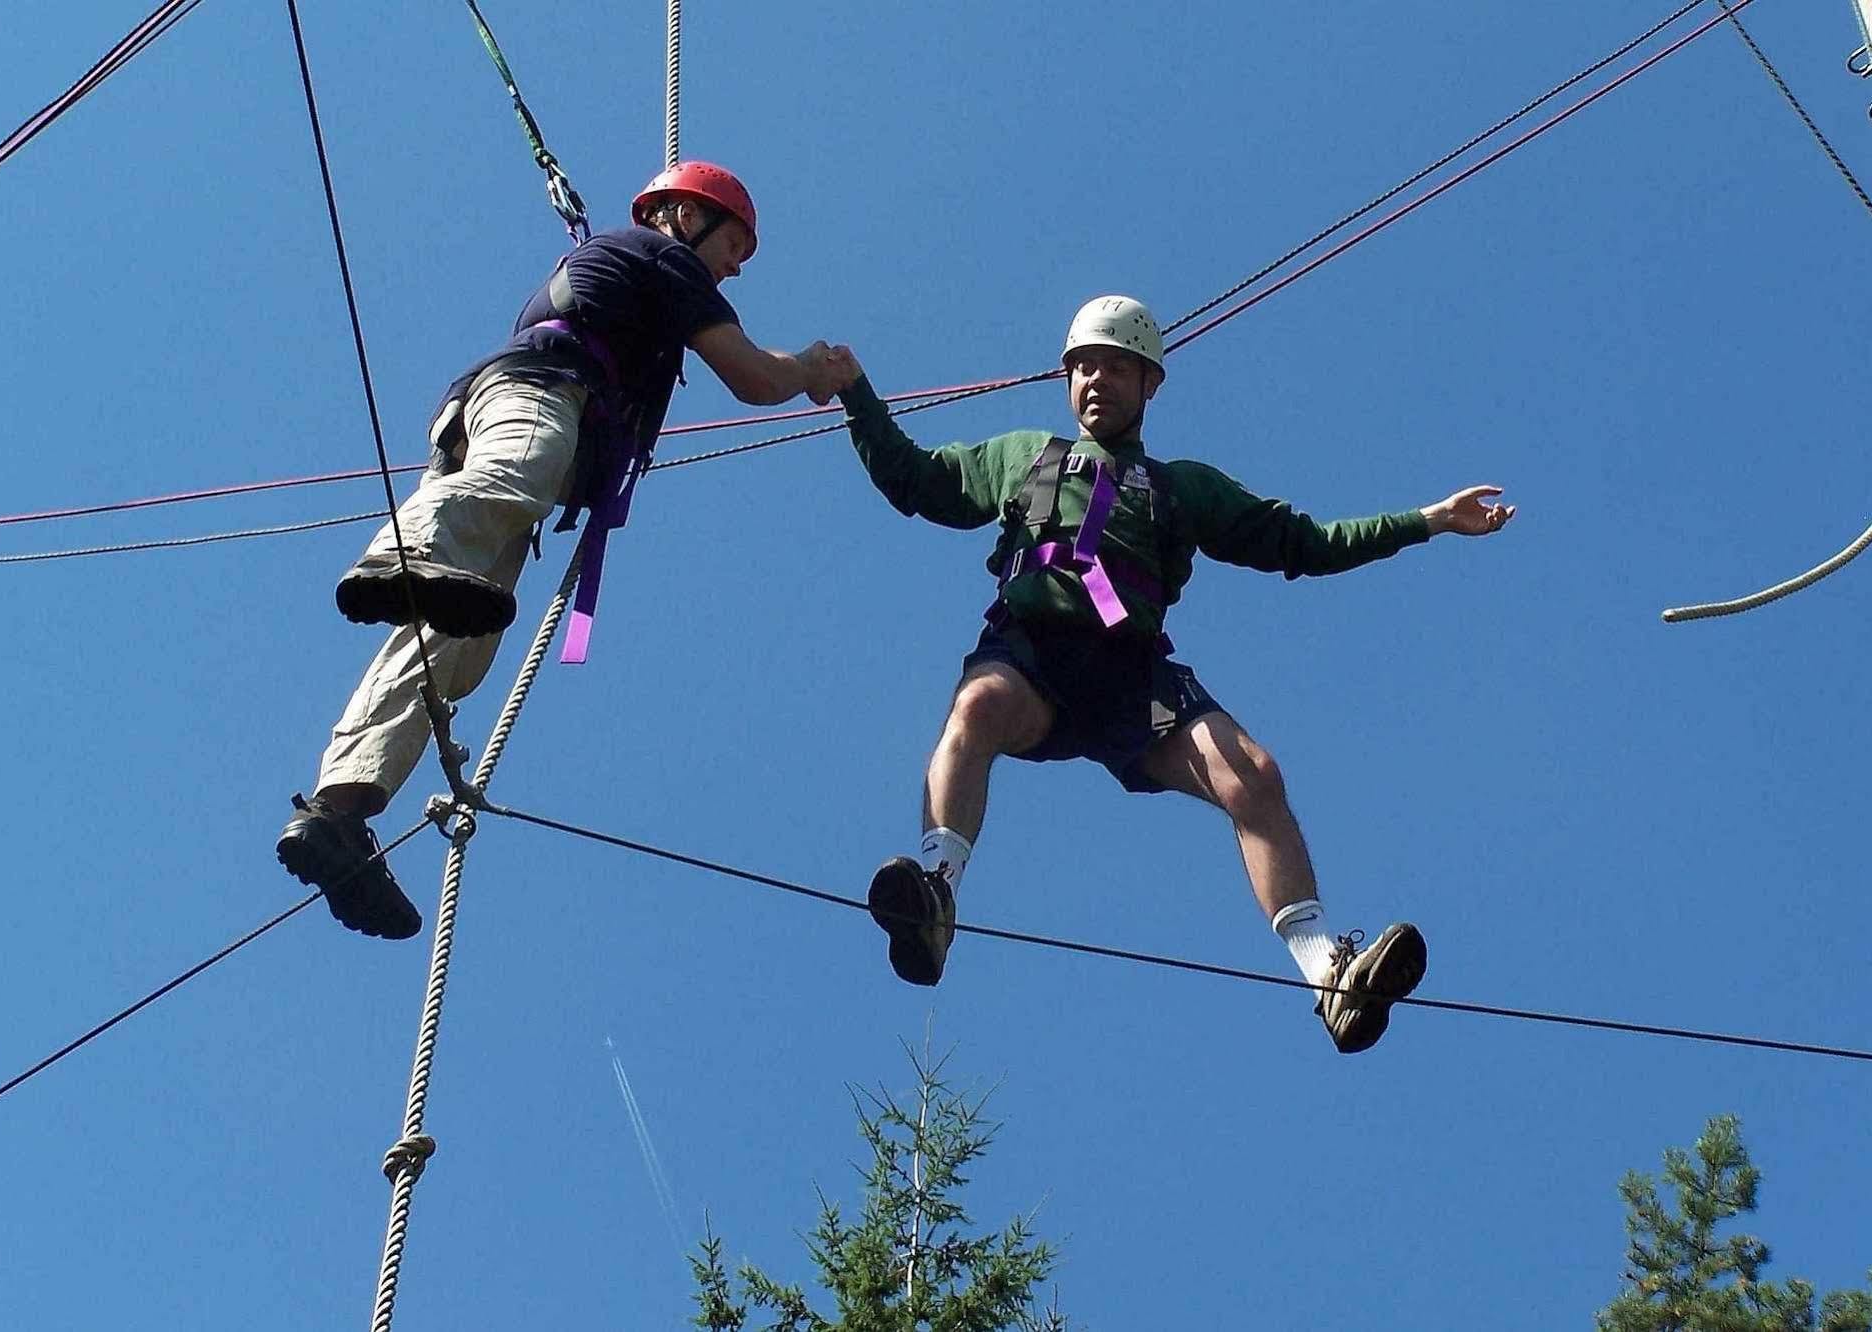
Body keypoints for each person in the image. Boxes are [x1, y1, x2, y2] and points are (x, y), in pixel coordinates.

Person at [828, 295, 1514, 1053]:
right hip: (1034, 656)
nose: (1096, 380)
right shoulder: (1021, 456)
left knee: (1252, 775)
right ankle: (936, 896)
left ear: (1149, 382)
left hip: (1131, 676)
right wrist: (857, 395)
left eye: (1117, 366)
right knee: (978, 707)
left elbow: (1304, 543)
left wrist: (1426, 520)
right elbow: (918, 482)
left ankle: (1328, 974)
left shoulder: (1181, 487)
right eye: (1082, 365)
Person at [277, 160, 852, 941]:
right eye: (735, 242)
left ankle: (338, 813)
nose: (738, 265)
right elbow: (751, 377)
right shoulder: (662, 258)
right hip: (540, 394)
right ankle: (401, 555)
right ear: (684, 217)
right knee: (515, 474)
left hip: (510, 410)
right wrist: (811, 370)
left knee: (453, 646)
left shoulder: (639, 278)